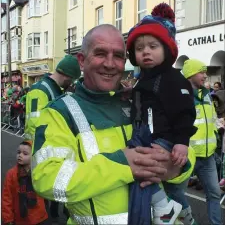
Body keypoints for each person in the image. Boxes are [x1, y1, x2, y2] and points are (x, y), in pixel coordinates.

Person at [31, 24, 195, 225]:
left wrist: (176, 167)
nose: (110, 64)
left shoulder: (139, 101)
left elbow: (184, 146)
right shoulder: (58, 113)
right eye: (100, 53)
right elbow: (47, 178)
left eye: (118, 56)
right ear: (81, 61)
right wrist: (122, 164)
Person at [126, 3, 197, 224]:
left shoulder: (172, 78)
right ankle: (175, 211)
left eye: (153, 46)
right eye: (139, 48)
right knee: (145, 173)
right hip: (150, 138)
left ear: (167, 49)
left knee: (143, 170)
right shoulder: (144, 80)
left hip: (165, 140)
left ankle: (163, 208)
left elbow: (185, 112)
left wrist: (182, 142)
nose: (145, 51)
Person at [181, 59, 222, 225]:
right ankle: (188, 222)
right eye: (202, 72)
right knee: (176, 194)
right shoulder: (180, 94)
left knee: (214, 193)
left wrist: (219, 126)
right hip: (187, 156)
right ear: (191, 74)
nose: (205, 76)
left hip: (208, 156)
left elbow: (211, 119)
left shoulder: (206, 94)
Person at [24, 54, 81, 141]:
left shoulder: (55, 89)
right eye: (71, 81)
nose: (71, 84)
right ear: (67, 77)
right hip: (37, 146)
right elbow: (34, 124)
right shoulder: (40, 89)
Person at [2, 141, 49, 225]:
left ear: (33, 156)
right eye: (18, 152)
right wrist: (8, 219)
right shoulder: (11, 174)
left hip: (39, 217)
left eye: (25, 153)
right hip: (21, 219)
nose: (20, 155)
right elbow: (7, 198)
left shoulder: (39, 172)